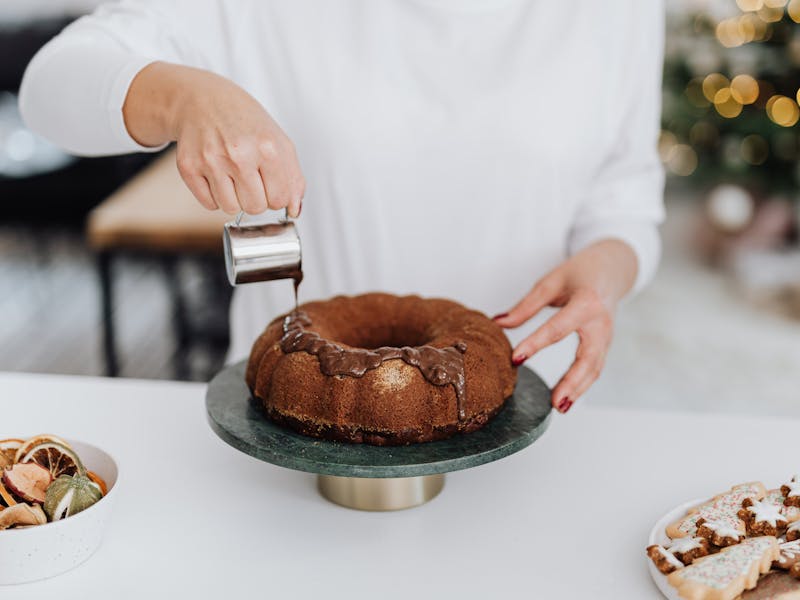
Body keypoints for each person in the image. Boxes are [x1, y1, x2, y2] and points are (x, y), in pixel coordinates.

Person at [20, 0, 665, 414]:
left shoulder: (616, 12)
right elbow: (50, 83)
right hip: (290, 430)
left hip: (525, 410)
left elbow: (626, 197)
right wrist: (183, 97)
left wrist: (605, 271)